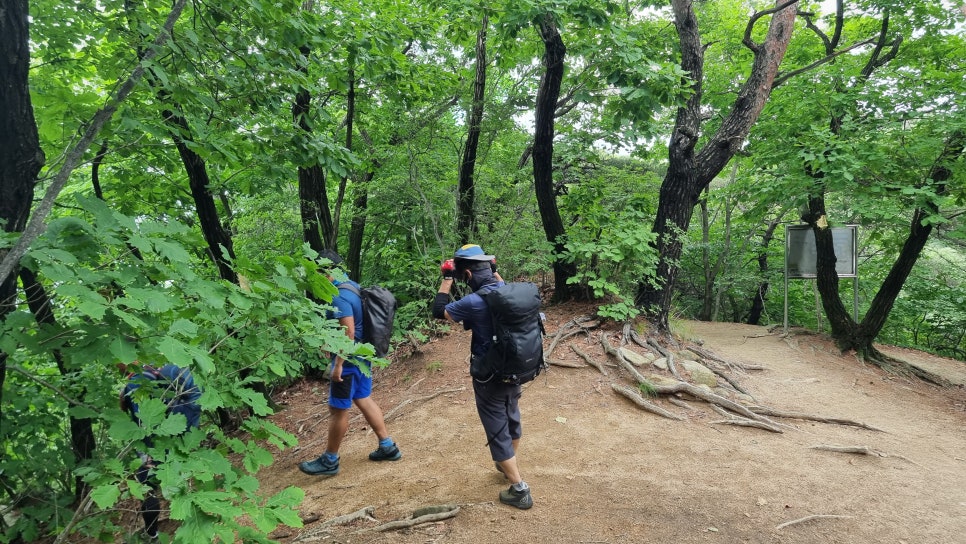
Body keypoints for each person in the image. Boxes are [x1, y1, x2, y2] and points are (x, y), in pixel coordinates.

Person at [431, 244, 534, 510]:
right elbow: (495, 281)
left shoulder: (474, 302)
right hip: (517, 369)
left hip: (490, 375)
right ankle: (506, 464)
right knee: (511, 417)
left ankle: (519, 488)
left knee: (496, 427)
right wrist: (492, 269)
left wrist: (446, 279)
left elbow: (440, 312)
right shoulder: (508, 292)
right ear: (490, 268)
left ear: (466, 276)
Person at [299, 250, 402, 476]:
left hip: (349, 361)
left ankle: (330, 460)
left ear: (324, 271)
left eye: (315, 272)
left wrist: (338, 365)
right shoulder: (351, 285)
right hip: (363, 356)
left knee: (337, 409)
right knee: (363, 397)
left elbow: (348, 333)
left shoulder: (339, 296)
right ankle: (387, 446)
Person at [119, 361, 202, 541]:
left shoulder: (136, 382)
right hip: (178, 437)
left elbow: (145, 422)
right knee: (181, 481)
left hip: (153, 445)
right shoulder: (157, 372)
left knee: (148, 489)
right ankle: (194, 525)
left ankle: (152, 535)